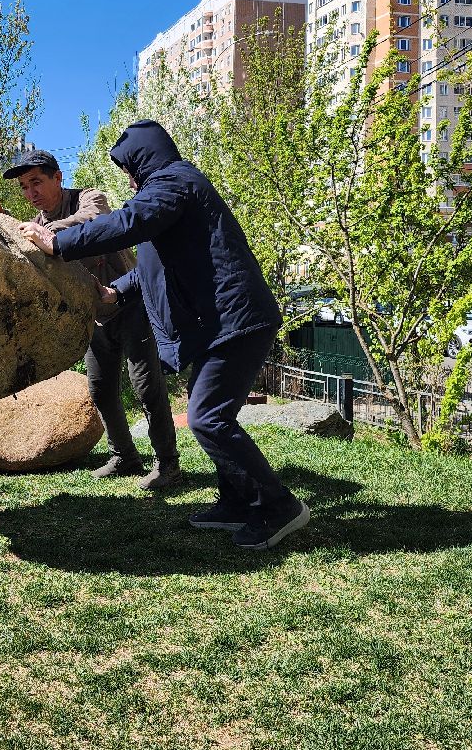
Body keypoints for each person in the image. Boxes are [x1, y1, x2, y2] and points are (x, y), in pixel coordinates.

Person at [18, 121, 309, 550]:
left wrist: (58, 244)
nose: (129, 179)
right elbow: (149, 264)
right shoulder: (167, 195)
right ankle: (236, 499)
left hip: (237, 320)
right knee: (206, 412)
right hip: (220, 323)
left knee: (208, 418)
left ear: (143, 159)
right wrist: (117, 289)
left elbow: (128, 222)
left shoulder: (176, 182)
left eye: (129, 168)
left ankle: (279, 506)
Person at [4, 148, 182, 489]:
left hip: (130, 305)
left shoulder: (89, 198)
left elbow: (94, 220)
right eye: (25, 187)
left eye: (37, 182)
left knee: (147, 387)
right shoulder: (36, 227)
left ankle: (168, 465)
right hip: (92, 318)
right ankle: (125, 457)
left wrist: (48, 236)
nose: (31, 193)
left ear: (58, 178)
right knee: (100, 389)